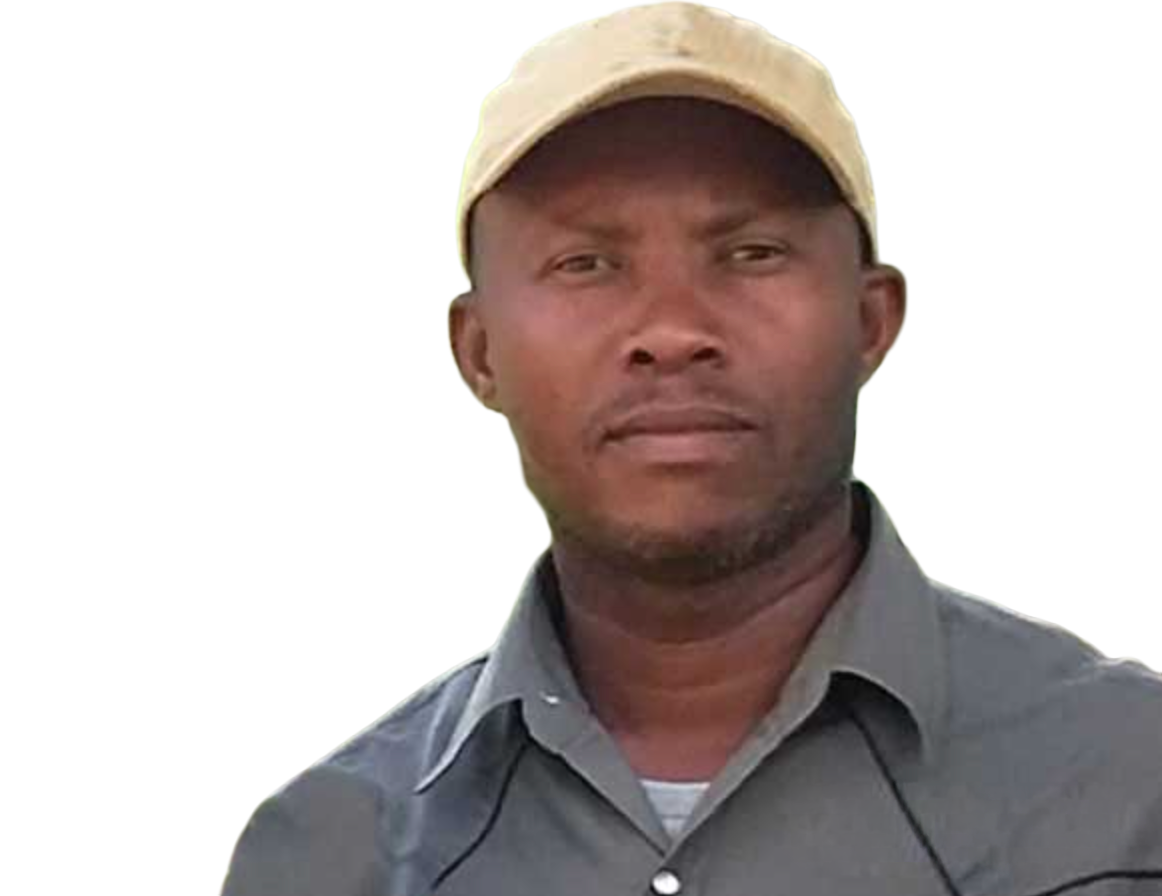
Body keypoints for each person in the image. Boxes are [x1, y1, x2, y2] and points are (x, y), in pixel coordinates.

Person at [219, 2, 1162, 894]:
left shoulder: (1129, 792)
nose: (671, 330)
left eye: (750, 252)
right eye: (586, 263)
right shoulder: (334, 856)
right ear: (478, 354)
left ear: (870, 322)